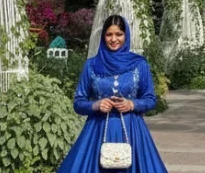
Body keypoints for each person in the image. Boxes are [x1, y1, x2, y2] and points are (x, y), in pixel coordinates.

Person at [58, 15, 167, 172]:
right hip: (97, 130)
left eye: (119, 34)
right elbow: (78, 102)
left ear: (126, 35)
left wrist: (132, 104)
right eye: (109, 34)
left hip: (132, 130)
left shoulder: (139, 64)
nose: (114, 39)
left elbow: (150, 99)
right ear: (103, 37)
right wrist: (96, 105)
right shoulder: (92, 65)